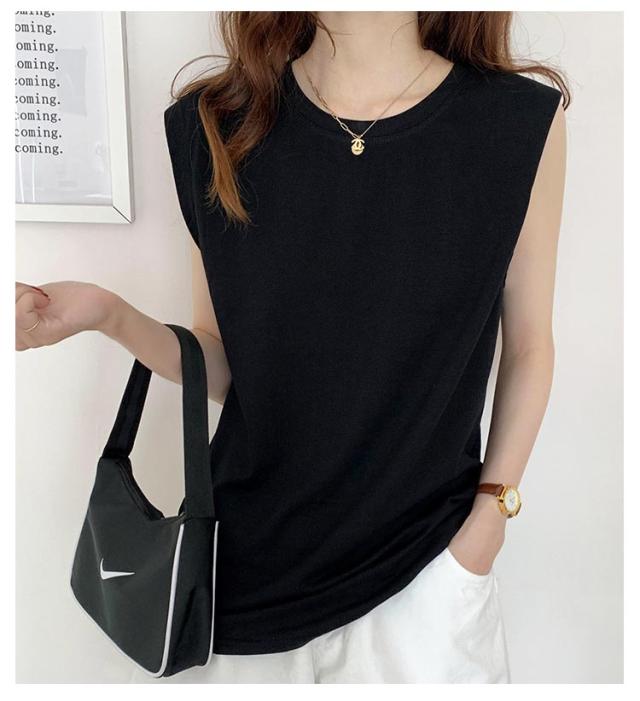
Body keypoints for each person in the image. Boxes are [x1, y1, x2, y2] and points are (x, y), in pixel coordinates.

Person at [15, 11, 567, 684]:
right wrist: (109, 315)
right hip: (243, 585)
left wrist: (490, 518)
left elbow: (529, 347)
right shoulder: (217, 123)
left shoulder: (516, 123)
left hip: (427, 582)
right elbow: (224, 362)